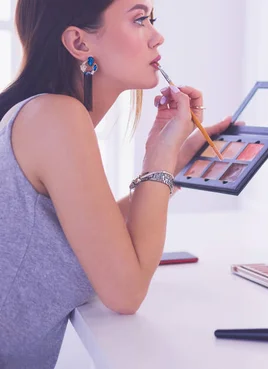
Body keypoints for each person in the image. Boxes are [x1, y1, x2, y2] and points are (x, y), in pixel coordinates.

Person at [0, 1, 232, 367]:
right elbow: (125, 292)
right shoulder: (55, 117)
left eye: (152, 19)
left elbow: (100, 236)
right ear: (79, 43)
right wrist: (159, 156)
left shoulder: (41, 114)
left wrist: (174, 162)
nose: (158, 36)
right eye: (140, 19)